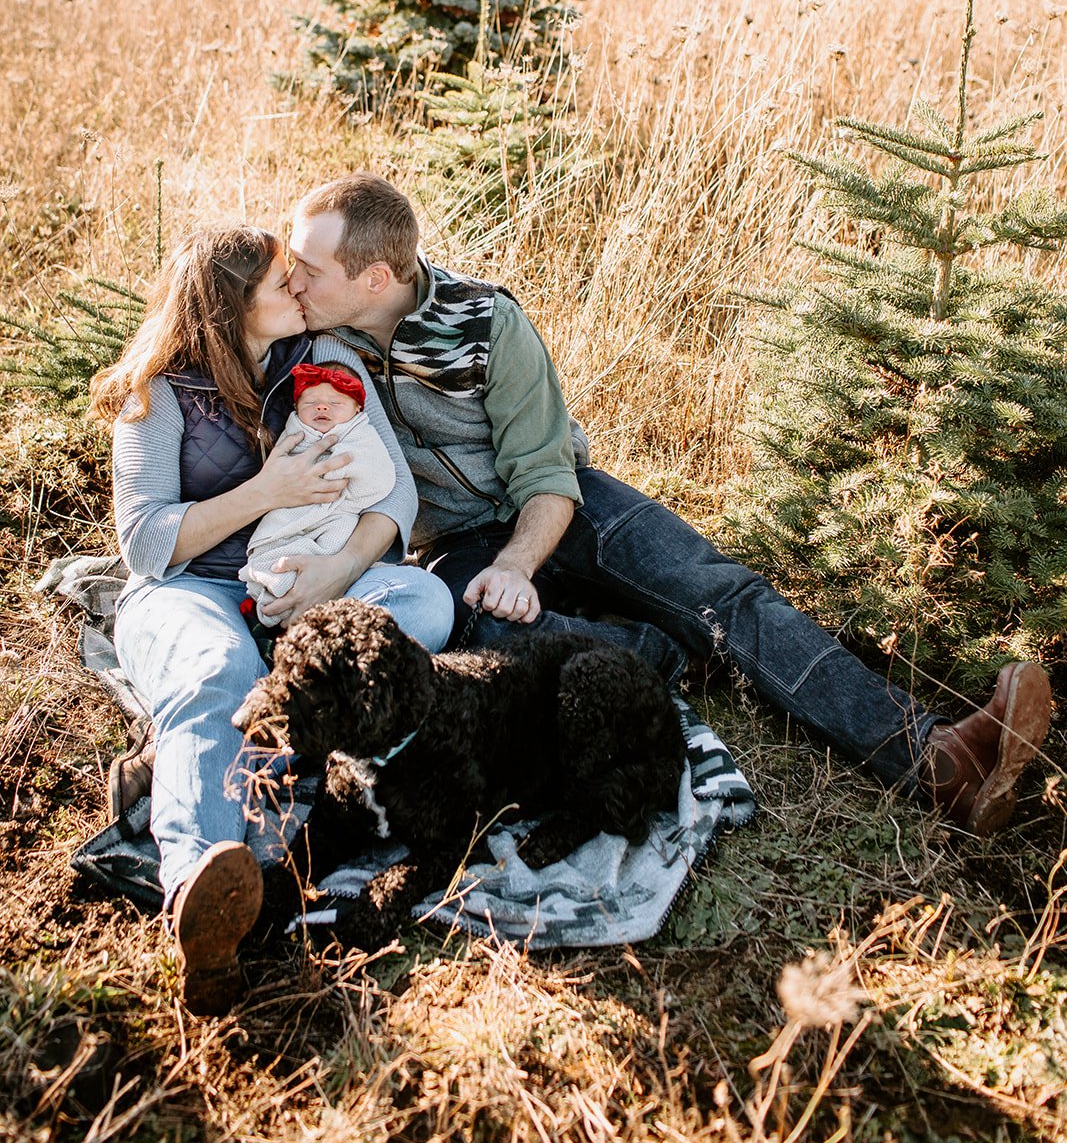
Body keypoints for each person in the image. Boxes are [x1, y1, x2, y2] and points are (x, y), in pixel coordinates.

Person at [286, 172, 1053, 843]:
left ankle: (936, 759)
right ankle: (667, 653)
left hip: (563, 503)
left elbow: (547, 472)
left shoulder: (486, 322)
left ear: (377, 278)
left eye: (309, 268)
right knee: (486, 634)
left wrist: (522, 562)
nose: (293, 280)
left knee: (719, 592)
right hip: (454, 538)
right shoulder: (317, 339)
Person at [89, 225, 454, 1015]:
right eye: (279, 285)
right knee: (220, 670)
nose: (300, 291)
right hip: (192, 590)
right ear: (228, 309)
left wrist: (337, 572)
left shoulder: (326, 362)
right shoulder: (157, 393)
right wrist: (265, 493)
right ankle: (201, 888)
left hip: (310, 586)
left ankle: (200, 763)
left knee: (424, 604)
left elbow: (394, 495)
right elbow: (147, 544)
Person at [239, 361, 396, 620]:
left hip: (337, 513)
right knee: (276, 553)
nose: (322, 407)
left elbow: (380, 473)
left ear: (358, 409)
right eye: (311, 402)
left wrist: (331, 471)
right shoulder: (295, 430)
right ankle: (267, 598)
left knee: (330, 545)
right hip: (291, 511)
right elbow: (281, 465)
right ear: (296, 407)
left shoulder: (361, 432)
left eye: (336, 403)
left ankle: (287, 606)